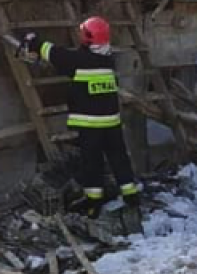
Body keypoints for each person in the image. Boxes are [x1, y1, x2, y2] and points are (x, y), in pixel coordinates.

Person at [35, 16, 140, 220]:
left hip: (91, 124)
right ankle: (131, 195)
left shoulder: (80, 60)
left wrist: (35, 42)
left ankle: (93, 202)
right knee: (119, 158)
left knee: (92, 163)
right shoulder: (108, 59)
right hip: (112, 122)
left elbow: (56, 54)